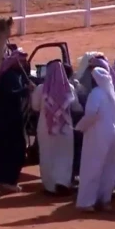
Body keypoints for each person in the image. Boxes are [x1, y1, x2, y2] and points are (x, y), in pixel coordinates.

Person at [31, 60, 83, 195]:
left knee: (47, 155)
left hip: (46, 127)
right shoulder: (69, 88)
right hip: (65, 127)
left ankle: (50, 187)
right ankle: (63, 183)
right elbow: (77, 107)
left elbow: (35, 107)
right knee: (64, 156)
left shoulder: (41, 88)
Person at [0, 49, 33, 193]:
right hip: (7, 121)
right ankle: (7, 181)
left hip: (7, 121)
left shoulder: (16, 75)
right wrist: (26, 90)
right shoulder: (9, 77)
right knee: (14, 150)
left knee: (2, 150)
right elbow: (10, 95)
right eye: (22, 61)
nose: (24, 64)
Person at [74, 67, 115, 212]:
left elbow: (92, 115)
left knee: (92, 167)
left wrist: (79, 127)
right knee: (109, 168)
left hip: (98, 135)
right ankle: (104, 200)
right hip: (113, 134)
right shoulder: (111, 93)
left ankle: (87, 202)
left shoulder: (96, 93)